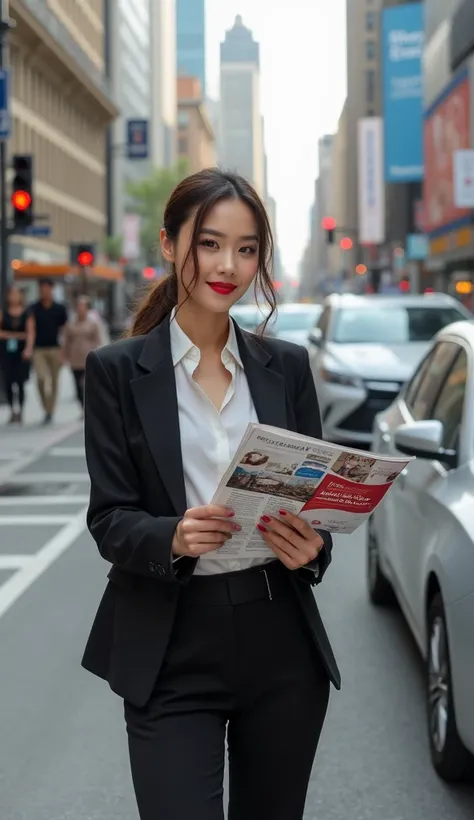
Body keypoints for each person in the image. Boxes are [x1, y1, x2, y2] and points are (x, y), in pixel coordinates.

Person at [82, 168, 341, 820]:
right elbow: (110, 516)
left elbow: (315, 515)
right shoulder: (118, 372)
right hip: (171, 644)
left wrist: (311, 548)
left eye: (247, 248)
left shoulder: (286, 368)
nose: (230, 265)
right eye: (210, 243)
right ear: (171, 245)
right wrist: (169, 535)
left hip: (280, 643)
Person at [30, 278, 68, 424]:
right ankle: (46, 407)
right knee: (40, 378)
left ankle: (50, 411)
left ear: (51, 289)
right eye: (42, 288)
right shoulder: (34, 308)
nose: (44, 291)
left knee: (54, 381)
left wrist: (64, 351)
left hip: (55, 348)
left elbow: (64, 331)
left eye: (47, 288)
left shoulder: (60, 308)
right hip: (39, 348)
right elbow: (31, 329)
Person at [0, 286, 35, 423]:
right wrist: (17, 335)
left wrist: (28, 348)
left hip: (21, 352)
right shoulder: (4, 313)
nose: (14, 297)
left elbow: (30, 333)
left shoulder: (27, 314)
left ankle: (20, 409)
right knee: (8, 381)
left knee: (20, 382)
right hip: (6, 352)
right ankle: (11, 409)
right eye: (11, 294)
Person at [63, 296, 101, 411]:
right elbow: (66, 341)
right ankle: (82, 405)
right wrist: (64, 355)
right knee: (77, 385)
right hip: (75, 358)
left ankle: (89, 406)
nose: (81, 309)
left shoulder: (93, 324)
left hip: (88, 357)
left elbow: (97, 340)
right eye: (79, 306)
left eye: (83, 306)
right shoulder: (70, 324)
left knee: (86, 384)